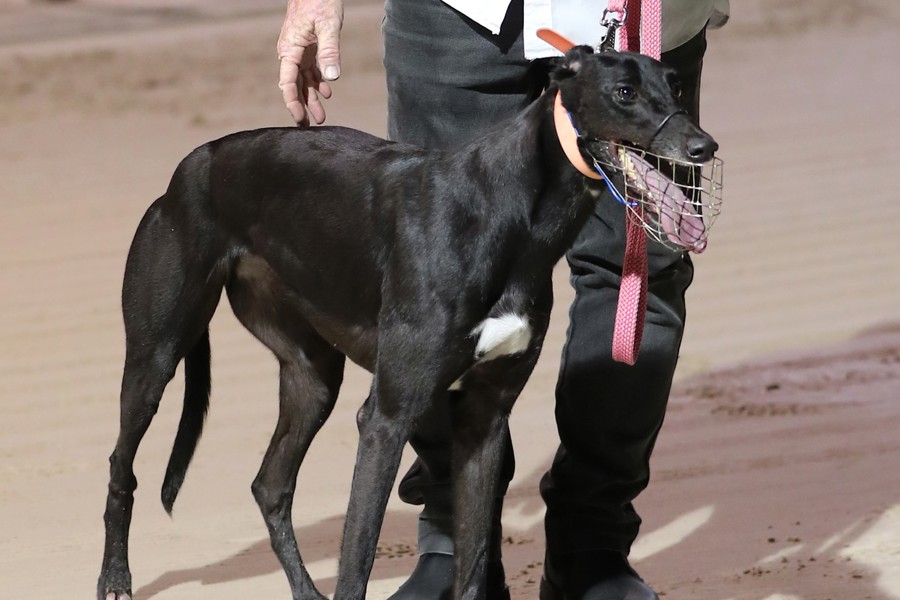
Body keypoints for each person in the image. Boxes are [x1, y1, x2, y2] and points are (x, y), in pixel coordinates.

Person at [277, 1, 729, 598]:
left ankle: (591, 548)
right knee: (431, 270)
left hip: (641, 13)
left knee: (637, 275)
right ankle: (453, 541)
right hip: (455, 13)